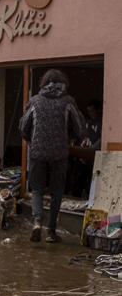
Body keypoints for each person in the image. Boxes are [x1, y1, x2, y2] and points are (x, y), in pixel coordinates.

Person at [19, 69, 85, 243]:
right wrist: (73, 139)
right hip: (59, 153)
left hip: (37, 152)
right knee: (57, 192)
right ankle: (51, 232)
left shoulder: (35, 101)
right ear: (63, 84)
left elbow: (23, 126)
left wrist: (29, 140)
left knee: (38, 189)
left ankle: (37, 222)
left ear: (44, 83)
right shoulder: (68, 101)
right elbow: (78, 127)